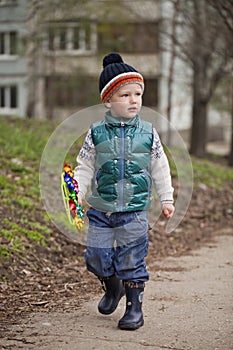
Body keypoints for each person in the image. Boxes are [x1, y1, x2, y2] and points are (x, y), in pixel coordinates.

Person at [74, 52, 174, 330]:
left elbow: (160, 166)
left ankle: (133, 309)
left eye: (138, 94)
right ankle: (112, 286)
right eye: (125, 95)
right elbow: (84, 166)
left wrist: (167, 198)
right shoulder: (95, 133)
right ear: (108, 100)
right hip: (102, 209)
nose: (134, 100)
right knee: (96, 257)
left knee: (131, 259)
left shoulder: (148, 132)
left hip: (134, 212)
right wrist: (79, 193)